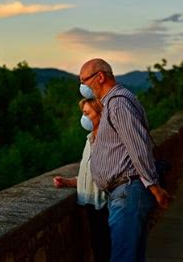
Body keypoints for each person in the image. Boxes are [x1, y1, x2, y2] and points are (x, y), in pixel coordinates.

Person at [79, 58, 170, 262]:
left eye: (84, 81)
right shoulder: (114, 102)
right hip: (125, 193)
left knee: (123, 256)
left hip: (128, 191)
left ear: (100, 77)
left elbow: (137, 148)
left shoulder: (118, 103)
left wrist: (155, 188)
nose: (83, 87)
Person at [53, 98, 111, 262]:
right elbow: (89, 175)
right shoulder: (89, 139)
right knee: (98, 248)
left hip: (105, 205)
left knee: (105, 249)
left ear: (101, 114)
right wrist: (68, 182)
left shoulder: (109, 142)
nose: (83, 118)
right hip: (91, 204)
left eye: (87, 113)